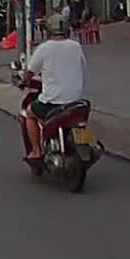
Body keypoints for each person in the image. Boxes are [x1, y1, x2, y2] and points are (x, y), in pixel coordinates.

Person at [21, 14, 87, 160]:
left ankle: (36, 150)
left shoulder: (44, 48)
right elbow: (82, 66)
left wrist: (25, 81)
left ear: (48, 30)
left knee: (29, 113)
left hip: (53, 103)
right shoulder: (76, 46)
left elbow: (30, 72)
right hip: (77, 101)